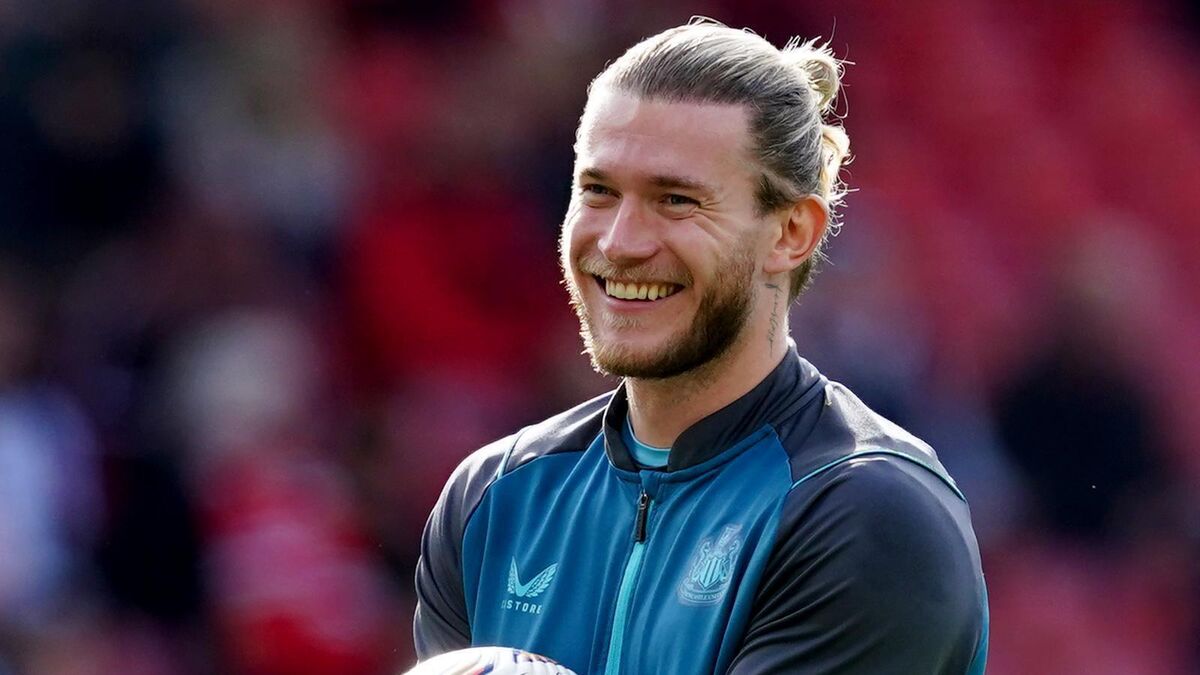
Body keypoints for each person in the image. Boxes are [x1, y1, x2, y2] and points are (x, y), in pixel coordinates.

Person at [413, 19, 988, 674]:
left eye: (676, 200)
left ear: (791, 233)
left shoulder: (867, 515)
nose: (620, 241)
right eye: (599, 191)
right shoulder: (494, 499)